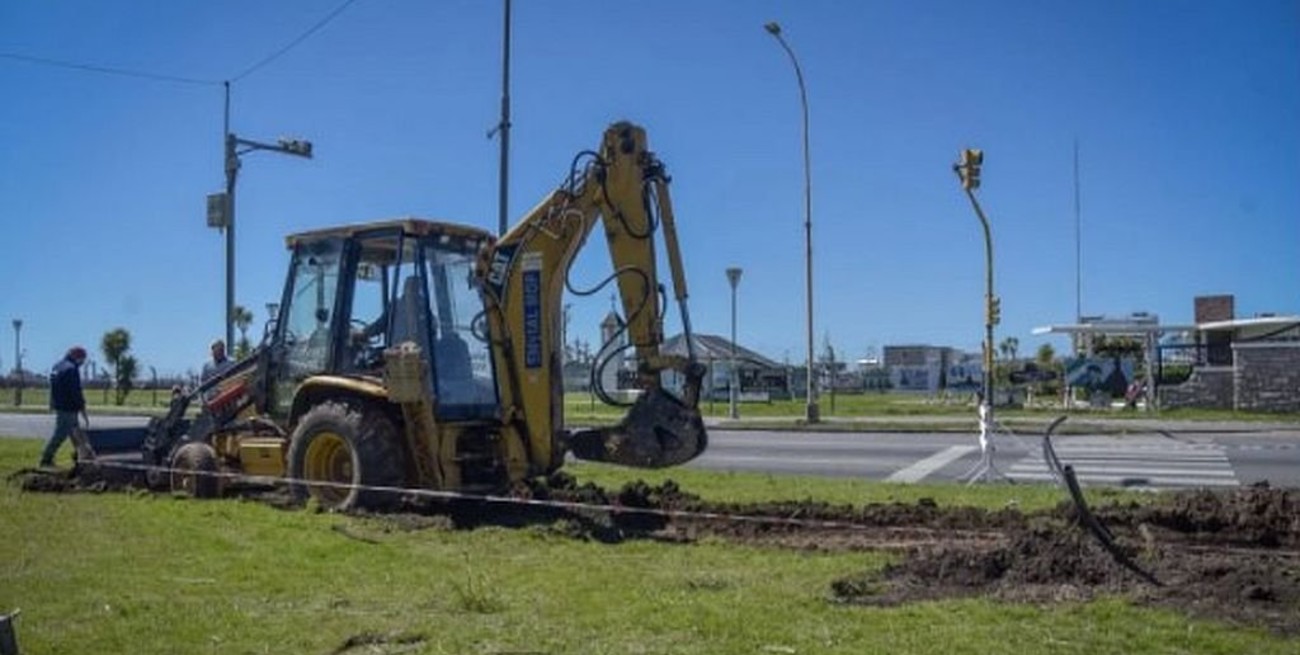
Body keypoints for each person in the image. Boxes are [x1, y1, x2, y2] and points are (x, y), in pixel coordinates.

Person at [40, 346, 88, 468]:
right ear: (78, 357)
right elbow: (75, 391)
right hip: (69, 407)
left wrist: (51, 403)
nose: (82, 362)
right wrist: (82, 407)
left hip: (60, 405)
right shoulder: (72, 369)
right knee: (61, 433)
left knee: (76, 433)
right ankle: (46, 458)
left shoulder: (57, 367)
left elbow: (53, 387)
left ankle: (82, 457)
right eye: (82, 359)